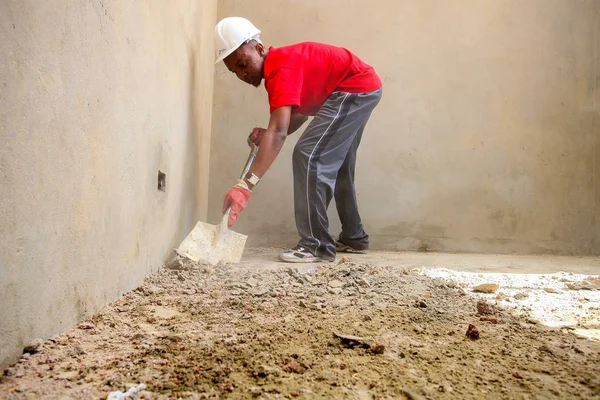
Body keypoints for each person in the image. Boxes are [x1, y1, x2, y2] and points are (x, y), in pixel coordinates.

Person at [215, 16, 382, 263]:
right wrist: (268, 133)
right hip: (361, 87)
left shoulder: (279, 68)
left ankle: (316, 244)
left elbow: (279, 131)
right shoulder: (283, 64)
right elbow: (299, 114)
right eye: (234, 71)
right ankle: (354, 236)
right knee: (338, 165)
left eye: (242, 63)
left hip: (353, 88)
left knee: (308, 156)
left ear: (259, 49)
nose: (242, 74)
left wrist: (245, 186)